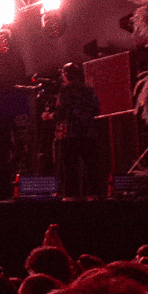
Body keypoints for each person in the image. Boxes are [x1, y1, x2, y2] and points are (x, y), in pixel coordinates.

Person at [52, 63, 101, 199]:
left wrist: (50, 116)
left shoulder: (64, 91)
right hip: (89, 133)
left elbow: (60, 112)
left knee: (70, 168)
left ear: (66, 75)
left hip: (70, 134)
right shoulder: (89, 90)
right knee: (91, 166)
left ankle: (71, 196)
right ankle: (93, 195)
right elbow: (96, 109)